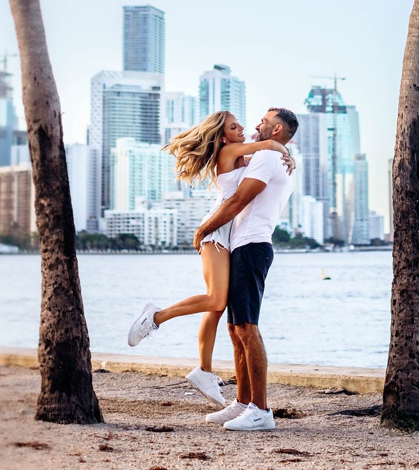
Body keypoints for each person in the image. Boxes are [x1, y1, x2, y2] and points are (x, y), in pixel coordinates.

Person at [125, 111, 295, 407]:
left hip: (229, 236)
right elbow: (265, 149)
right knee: (216, 300)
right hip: (216, 232)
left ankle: (204, 370)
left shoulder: (244, 157)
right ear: (223, 136)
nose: (243, 127)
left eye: (241, 124)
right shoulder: (231, 150)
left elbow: (265, 160)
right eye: (234, 126)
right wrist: (283, 148)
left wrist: (284, 151)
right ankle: (155, 317)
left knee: (218, 309)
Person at [188, 107, 300, 431]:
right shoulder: (269, 155)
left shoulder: (267, 156)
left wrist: (201, 230)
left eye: (263, 122)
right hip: (243, 247)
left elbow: (237, 201)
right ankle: (242, 401)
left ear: (276, 130)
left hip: (252, 246)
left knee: (247, 328)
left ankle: (261, 410)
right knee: (235, 330)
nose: (255, 126)